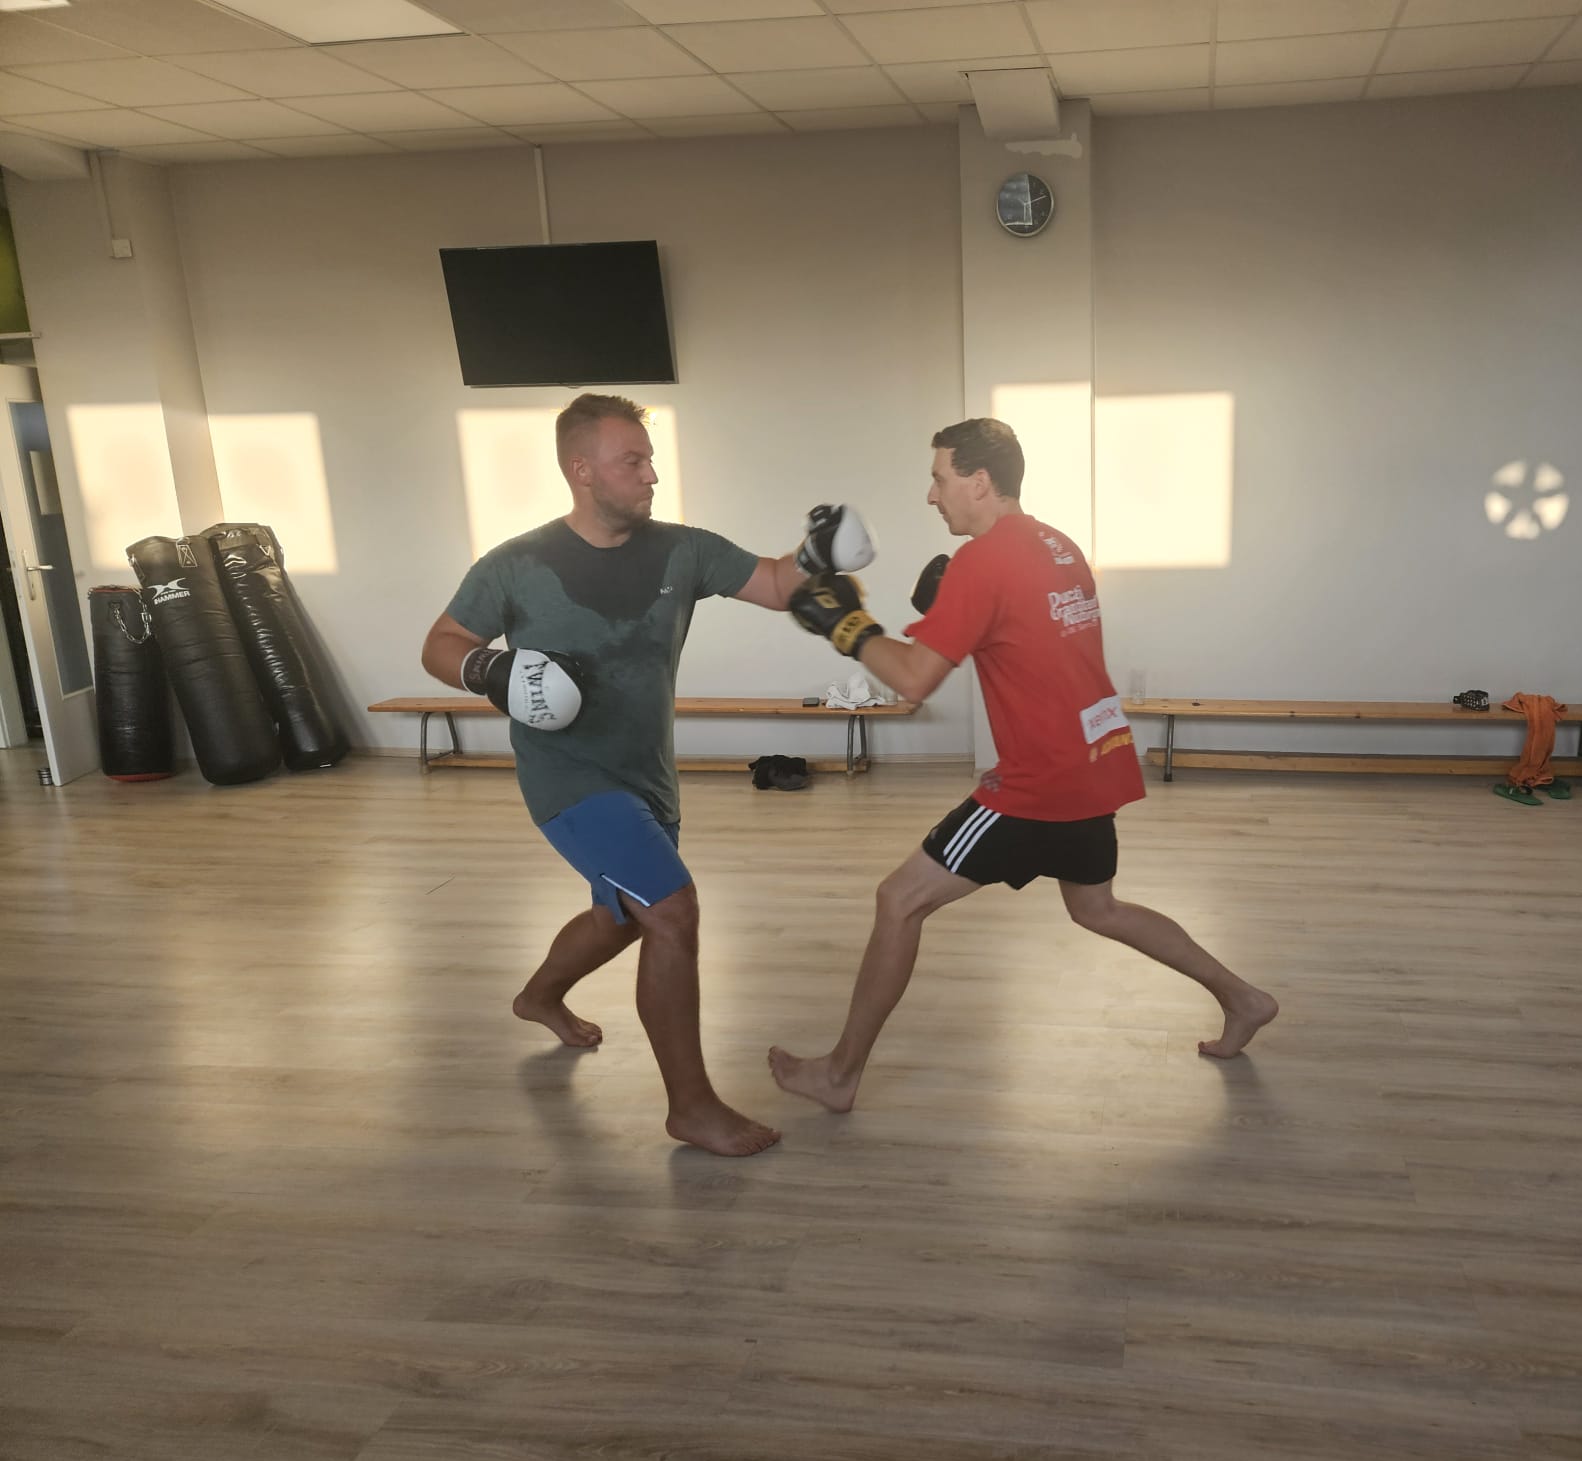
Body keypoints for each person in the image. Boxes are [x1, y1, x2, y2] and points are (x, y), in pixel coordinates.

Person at [769, 417, 1277, 1114]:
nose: (931, 495)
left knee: (899, 900)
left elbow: (914, 680)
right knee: (1097, 907)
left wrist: (848, 627)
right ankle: (1243, 997)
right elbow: (1035, 647)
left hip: (1040, 785)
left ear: (979, 481)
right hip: (1093, 761)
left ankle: (838, 1074)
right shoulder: (1057, 545)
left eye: (939, 479)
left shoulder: (984, 562)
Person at [420, 392, 873, 1157]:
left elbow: (773, 583)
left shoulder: (682, 551)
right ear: (582, 469)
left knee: (623, 916)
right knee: (671, 910)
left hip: (648, 776)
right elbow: (441, 642)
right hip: (566, 777)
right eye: (632, 461)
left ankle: (539, 996)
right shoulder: (517, 564)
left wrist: (815, 553)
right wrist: (489, 670)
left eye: (650, 459)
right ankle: (690, 1106)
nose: (651, 474)